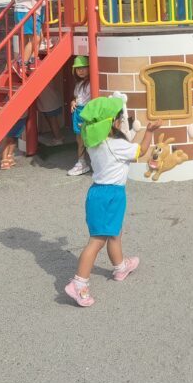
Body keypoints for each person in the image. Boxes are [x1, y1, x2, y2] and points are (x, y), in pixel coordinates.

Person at [64, 95, 161, 307]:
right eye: (119, 118)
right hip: (111, 194)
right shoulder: (116, 145)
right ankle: (78, 284)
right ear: (113, 123)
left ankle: (120, 267)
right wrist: (149, 132)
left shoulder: (93, 142)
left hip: (99, 193)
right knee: (97, 240)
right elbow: (141, 151)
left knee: (114, 232)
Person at [13, 0, 61, 78]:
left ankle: (31, 61)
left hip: (22, 10)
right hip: (29, 11)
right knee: (35, 38)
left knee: (33, 36)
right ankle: (21, 63)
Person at [67, 57, 92, 176]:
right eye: (78, 69)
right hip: (78, 112)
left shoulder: (91, 83)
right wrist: (73, 102)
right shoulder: (79, 83)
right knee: (79, 139)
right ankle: (82, 162)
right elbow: (77, 98)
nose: (80, 71)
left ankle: (88, 162)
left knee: (89, 138)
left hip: (87, 112)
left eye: (83, 68)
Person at [37, 81, 64, 146]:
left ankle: (58, 138)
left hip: (49, 102)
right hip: (49, 101)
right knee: (51, 120)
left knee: (52, 120)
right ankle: (58, 136)